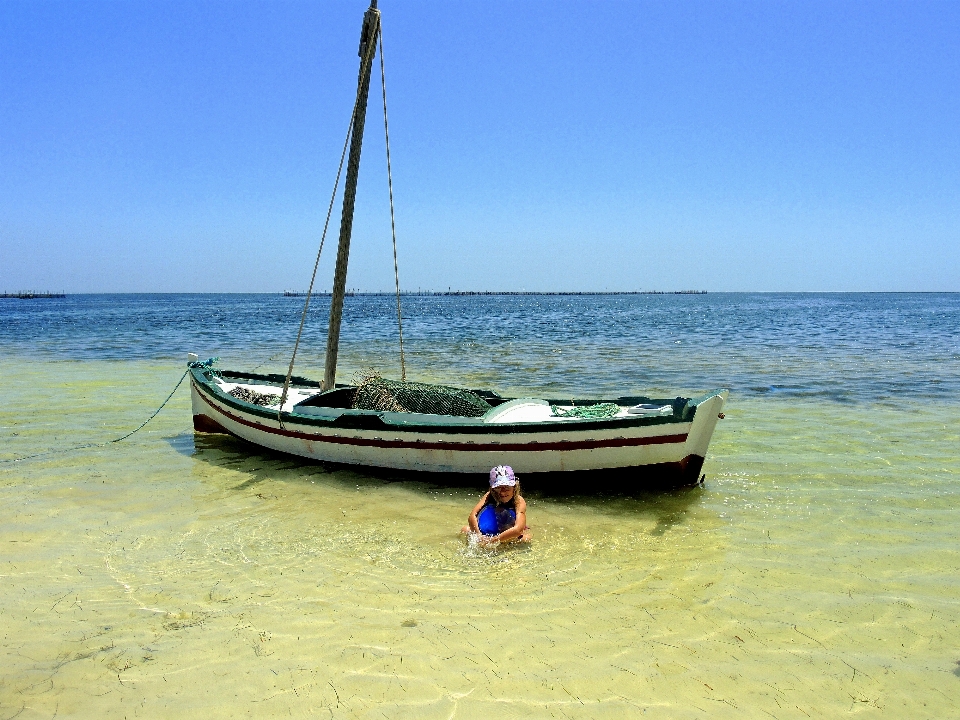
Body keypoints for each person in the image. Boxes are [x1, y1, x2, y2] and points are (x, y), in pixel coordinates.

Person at [462, 465, 531, 544]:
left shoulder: (518, 501)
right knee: (465, 530)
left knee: (526, 539)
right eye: (498, 488)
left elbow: (518, 529)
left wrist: (494, 540)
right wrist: (479, 536)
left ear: (514, 487)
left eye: (507, 487)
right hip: (490, 532)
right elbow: (472, 515)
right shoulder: (490, 495)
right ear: (492, 489)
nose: (502, 492)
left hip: (510, 529)